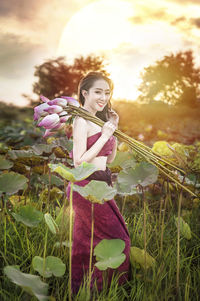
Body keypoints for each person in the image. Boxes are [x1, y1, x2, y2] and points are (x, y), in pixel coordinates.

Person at [67, 71, 130, 294]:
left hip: (103, 183)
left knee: (89, 242)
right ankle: (98, 290)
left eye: (107, 93)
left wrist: (113, 128)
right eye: (97, 92)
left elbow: (109, 159)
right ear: (85, 93)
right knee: (118, 239)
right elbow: (78, 162)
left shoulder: (99, 120)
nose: (103, 97)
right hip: (86, 185)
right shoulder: (81, 120)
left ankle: (90, 291)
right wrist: (104, 135)